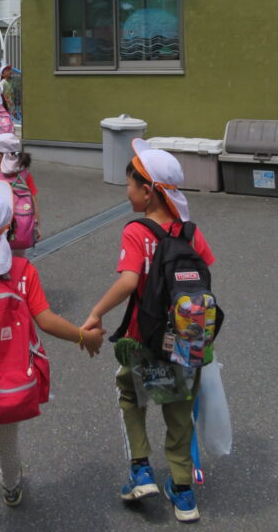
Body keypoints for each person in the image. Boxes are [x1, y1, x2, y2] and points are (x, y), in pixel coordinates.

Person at [0, 180, 104, 532]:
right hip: (13, 381)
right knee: (8, 443)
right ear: (9, 230)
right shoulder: (24, 272)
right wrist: (82, 336)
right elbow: (47, 320)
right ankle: (11, 488)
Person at [82, 140, 216, 524]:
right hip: (187, 341)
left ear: (147, 191)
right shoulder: (190, 232)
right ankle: (183, 492)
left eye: (129, 185)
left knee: (131, 395)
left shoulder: (136, 232)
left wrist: (95, 313)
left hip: (144, 339)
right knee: (179, 411)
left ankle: (141, 469)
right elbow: (204, 278)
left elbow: (127, 282)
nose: (126, 192)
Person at [0, 133, 40, 254]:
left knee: (1, 269)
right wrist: (36, 226)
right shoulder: (24, 176)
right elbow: (33, 201)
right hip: (22, 234)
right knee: (19, 265)